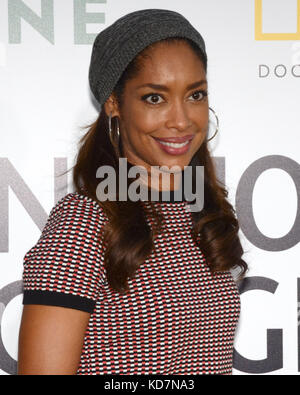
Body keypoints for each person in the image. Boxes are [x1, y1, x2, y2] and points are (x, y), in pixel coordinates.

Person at [17, 9, 248, 375]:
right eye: (154, 98)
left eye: (195, 94)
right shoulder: (83, 223)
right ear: (114, 103)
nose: (181, 120)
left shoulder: (205, 214)